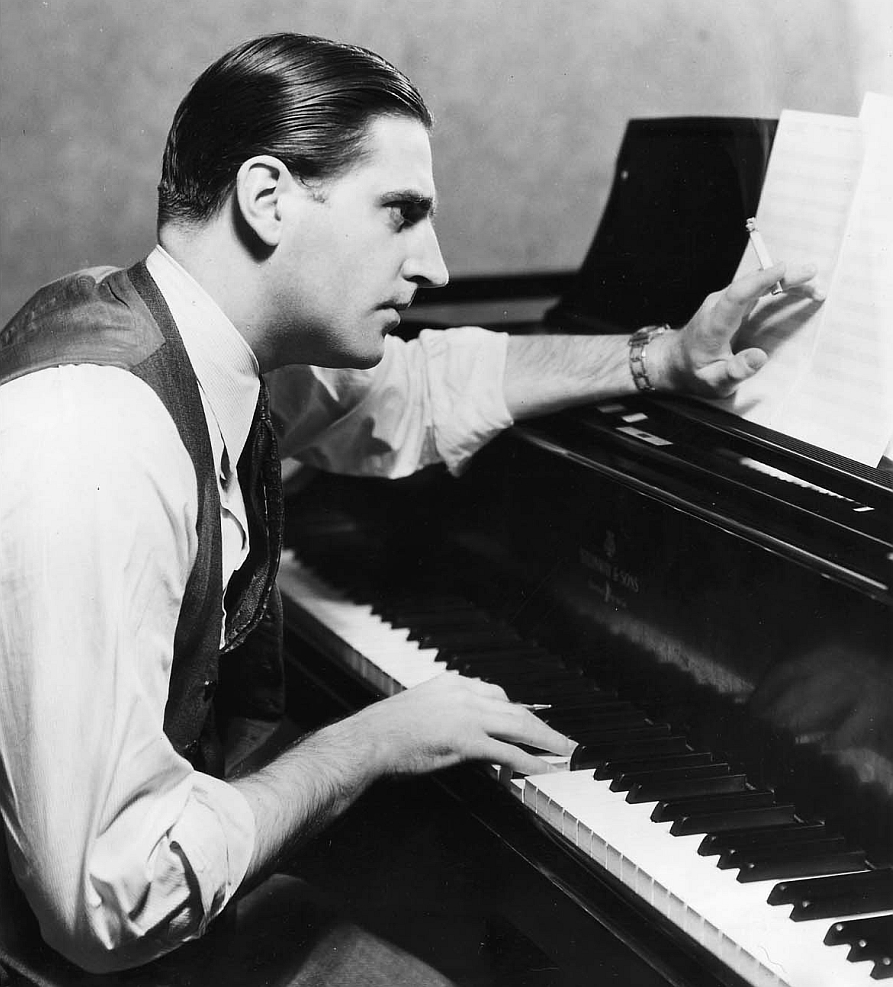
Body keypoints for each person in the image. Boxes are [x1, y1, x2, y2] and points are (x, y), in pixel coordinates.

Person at [0, 31, 821, 986]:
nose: (433, 265)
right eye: (401, 212)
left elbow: (416, 390)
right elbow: (109, 899)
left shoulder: (185, 331)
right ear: (267, 199)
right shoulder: (97, 432)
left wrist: (659, 358)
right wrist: (373, 741)